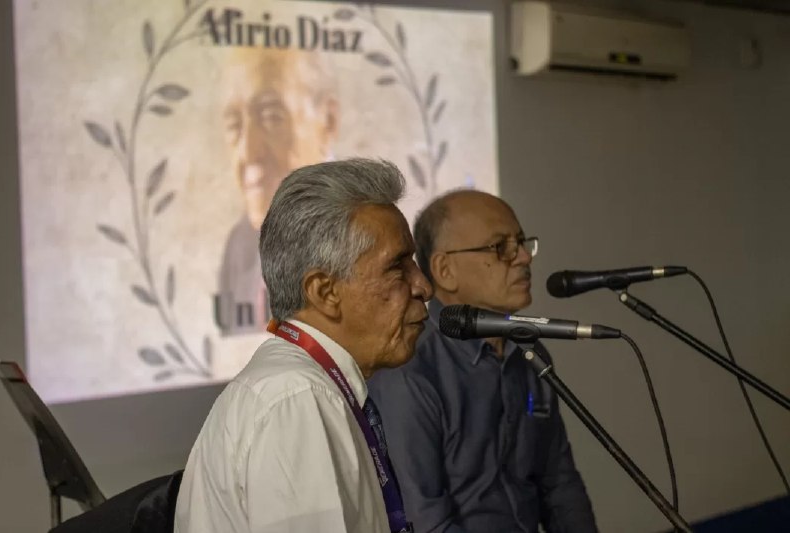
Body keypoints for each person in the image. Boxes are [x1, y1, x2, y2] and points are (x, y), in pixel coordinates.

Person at [176, 159, 432, 533]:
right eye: (397, 267)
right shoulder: (298, 397)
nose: (423, 286)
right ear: (325, 292)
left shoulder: (301, 385)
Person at [368, 190, 598, 533]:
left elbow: (560, 485)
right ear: (445, 270)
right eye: (500, 247)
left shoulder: (531, 355)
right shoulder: (411, 365)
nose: (523, 257)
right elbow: (424, 518)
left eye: (521, 242)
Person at [215, 47, 339, 336]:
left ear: (328, 121)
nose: (248, 152)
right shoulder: (240, 244)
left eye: (271, 116)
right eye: (235, 125)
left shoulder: (365, 233)